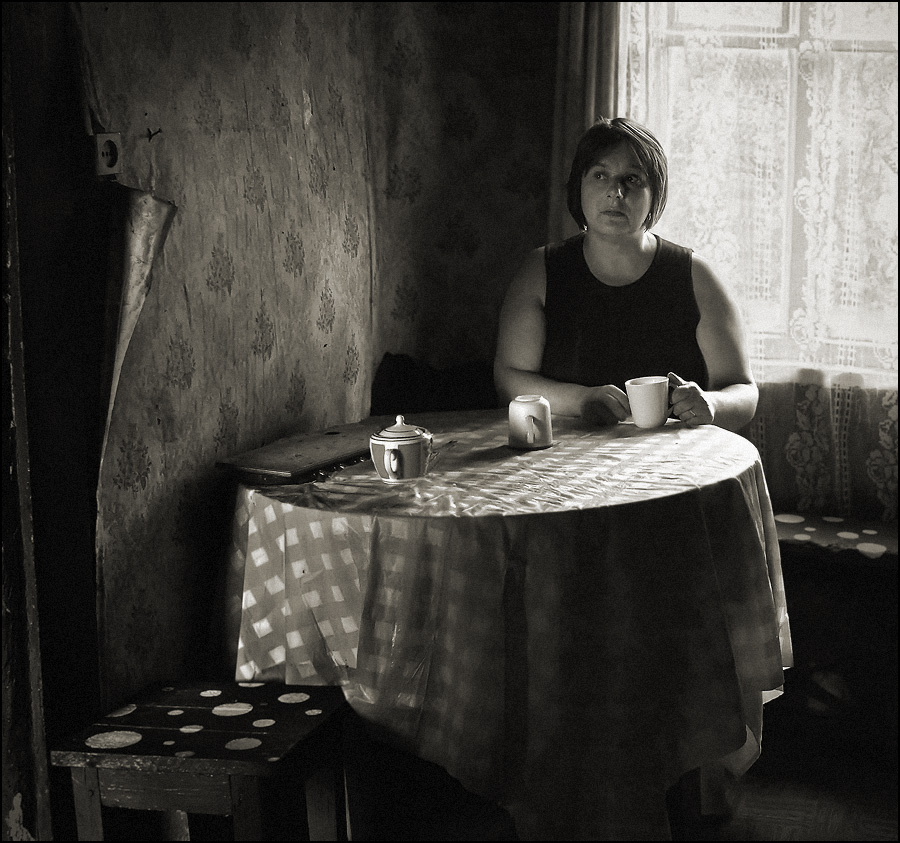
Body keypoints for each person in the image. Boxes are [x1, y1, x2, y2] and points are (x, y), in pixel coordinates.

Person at [494, 116, 758, 433]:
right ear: (579, 186)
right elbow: (509, 378)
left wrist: (712, 404)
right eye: (600, 175)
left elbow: (744, 391)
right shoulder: (541, 271)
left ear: (655, 194)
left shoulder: (696, 276)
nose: (616, 192)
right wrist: (581, 400)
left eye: (632, 179)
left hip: (674, 456)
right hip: (563, 455)